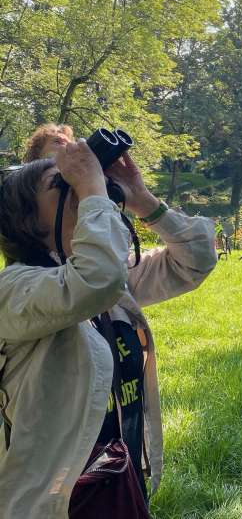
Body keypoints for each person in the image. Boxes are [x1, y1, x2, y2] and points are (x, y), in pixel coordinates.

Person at [0, 138, 218, 517]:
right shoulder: (16, 290)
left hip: (117, 480)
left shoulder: (112, 281)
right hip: (53, 501)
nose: (79, 185)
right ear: (26, 222)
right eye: (60, 183)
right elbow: (94, 280)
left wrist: (141, 198)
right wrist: (91, 189)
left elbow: (196, 259)